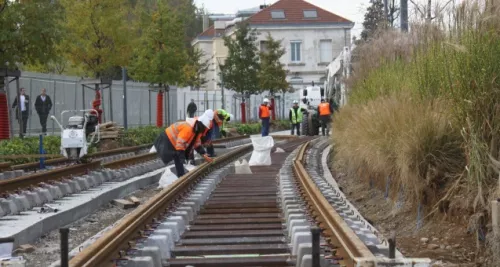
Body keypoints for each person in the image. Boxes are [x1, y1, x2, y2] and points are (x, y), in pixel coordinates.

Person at [153, 109, 214, 177]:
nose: (204, 130)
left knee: (178, 156)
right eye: (204, 127)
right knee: (176, 156)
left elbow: (197, 143)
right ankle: (181, 175)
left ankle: (181, 175)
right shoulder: (188, 128)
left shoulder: (197, 130)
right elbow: (180, 144)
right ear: (201, 125)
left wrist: (203, 154)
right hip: (167, 139)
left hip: (173, 141)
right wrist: (182, 157)